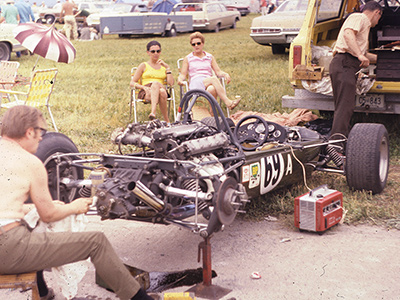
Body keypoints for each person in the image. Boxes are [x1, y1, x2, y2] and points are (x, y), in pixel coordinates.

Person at [0, 106, 155, 300]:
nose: (41, 138)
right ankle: (140, 299)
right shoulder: (31, 163)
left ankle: (42, 291)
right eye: (41, 132)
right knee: (96, 242)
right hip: (8, 250)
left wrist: (34, 207)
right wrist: (74, 206)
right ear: (29, 132)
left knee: (34, 223)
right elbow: (49, 215)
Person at [329, 1, 383, 138]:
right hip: (345, 63)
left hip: (346, 64)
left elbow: (363, 54)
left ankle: (342, 140)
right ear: (377, 13)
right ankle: (336, 145)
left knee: (344, 106)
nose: (377, 22)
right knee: (344, 108)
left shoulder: (363, 24)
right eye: (379, 18)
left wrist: (385, 58)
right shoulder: (359, 18)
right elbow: (348, 34)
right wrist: (359, 55)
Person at [177, 31, 241, 110]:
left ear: (203, 44)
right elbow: (183, 74)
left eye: (198, 43)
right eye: (193, 44)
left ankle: (212, 112)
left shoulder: (209, 57)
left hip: (208, 81)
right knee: (213, 79)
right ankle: (228, 102)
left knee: (212, 89)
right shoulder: (188, 58)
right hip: (196, 82)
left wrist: (225, 74)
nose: (196, 46)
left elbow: (218, 72)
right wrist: (180, 79)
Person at [130, 40, 174, 122]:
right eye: (153, 51)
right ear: (148, 52)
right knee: (162, 91)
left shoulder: (163, 66)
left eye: (158, 51)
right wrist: (143, 87)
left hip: (160, 87)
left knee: (157, 84)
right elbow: (132, 83)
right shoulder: (143, 65)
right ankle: (167, 121)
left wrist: (168, 68)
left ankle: (153, 113)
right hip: (147, 91)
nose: (156, 53)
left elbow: (171, 83)